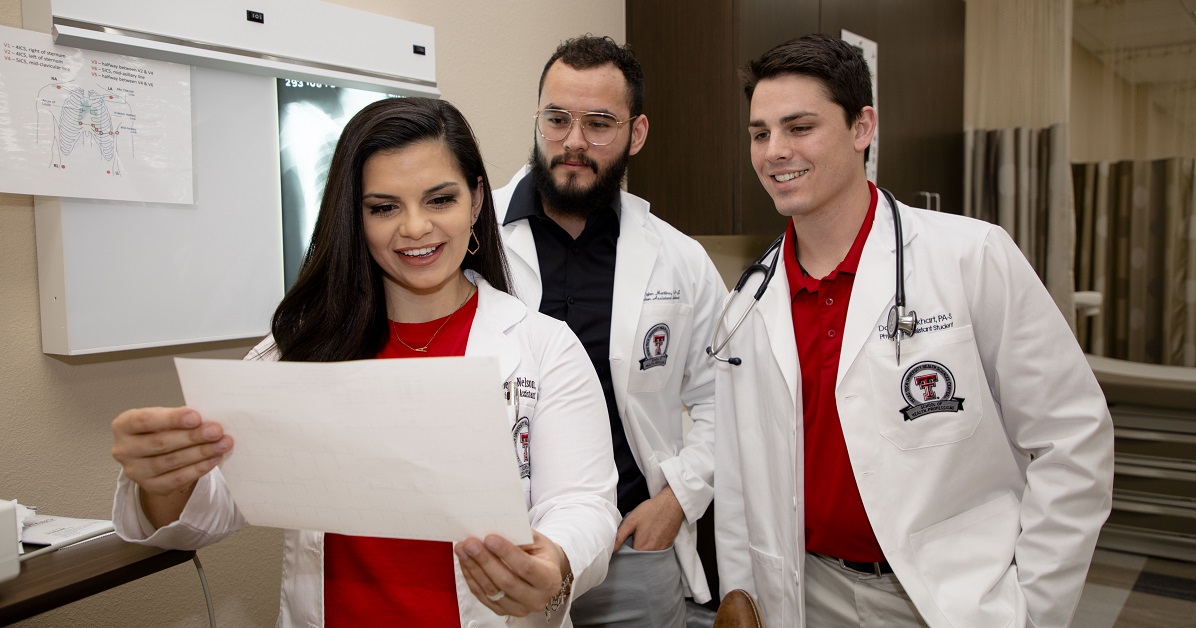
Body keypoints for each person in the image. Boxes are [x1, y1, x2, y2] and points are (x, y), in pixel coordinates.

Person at [110, 97, 620, 628]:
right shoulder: (299, 351)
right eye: (384, 207)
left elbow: (583, 504)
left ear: (474, 202)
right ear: (356, 217)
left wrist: (555, 559)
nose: (415, 227)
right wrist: (165, 480)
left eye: (439, 199)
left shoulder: (544, 348)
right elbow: (209, 515)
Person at [711, 34, 1114, 628]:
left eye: (799, 127)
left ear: (861, 127)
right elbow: (740, 477)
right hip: (803, 592)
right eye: (760, 132)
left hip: (946, 599)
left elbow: (1072, 436)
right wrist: (742, 598)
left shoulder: (971, 256)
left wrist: (1035, 607)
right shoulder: (748, 302)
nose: (775, 151)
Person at [492, 35, 727, 627]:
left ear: (636, 134)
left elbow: (729, 396)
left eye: (600, 123)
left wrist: (675, 501)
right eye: (557, 119)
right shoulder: (473, 239)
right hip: (500, 553)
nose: (574, 141)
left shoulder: (679, 260)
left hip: (632, 552)